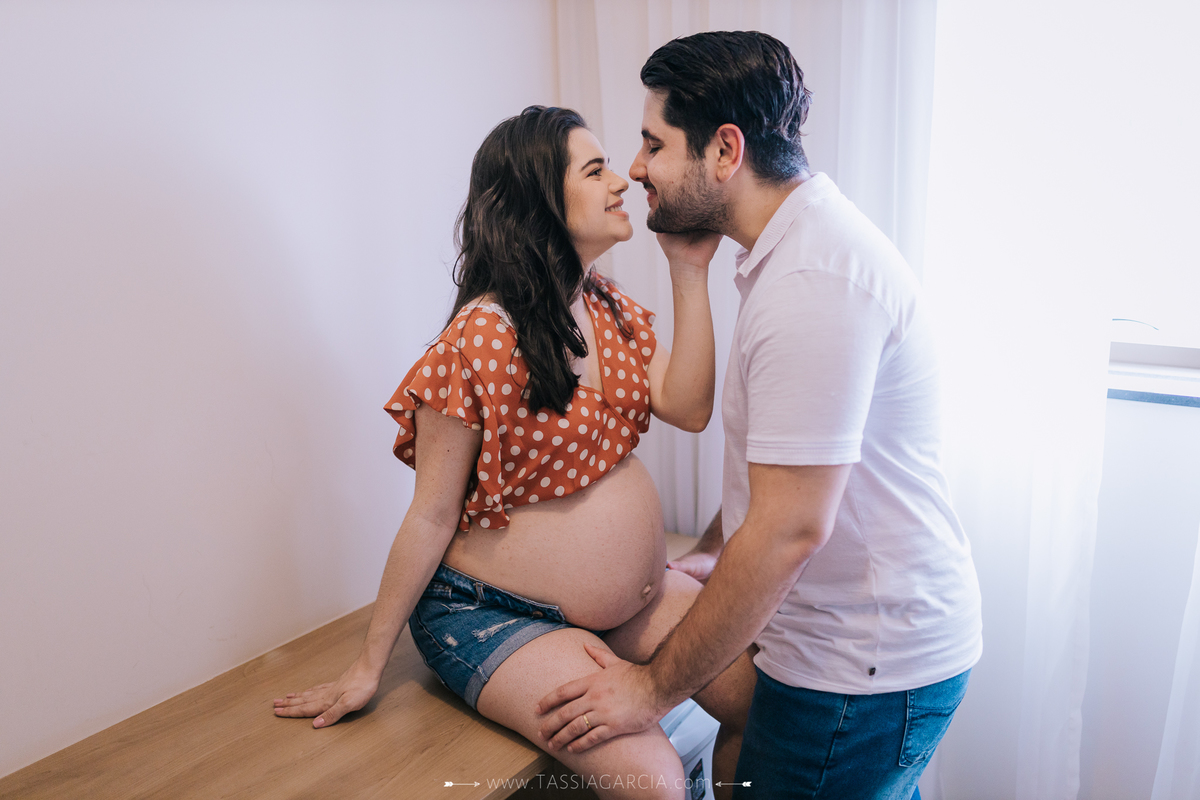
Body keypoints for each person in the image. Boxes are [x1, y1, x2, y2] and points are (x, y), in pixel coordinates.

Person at [535, 32, 984, 800]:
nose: (636, 169)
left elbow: (787, 528)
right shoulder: (787, 253)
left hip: (858, 672)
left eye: (653, 144)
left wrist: (650, 690)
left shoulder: (812, 279)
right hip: (859, 656)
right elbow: (780, 472)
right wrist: (711, 549)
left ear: (725, 150)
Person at [271, 106, 756, 799]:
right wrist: (367, 665)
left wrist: (688, 270)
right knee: (653, 779)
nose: (622, 180)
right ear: (539, 200)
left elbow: (690, 406)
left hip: (627, 604)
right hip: (494, 611)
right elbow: (431, 516)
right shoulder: (482, 337)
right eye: (595, 170)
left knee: (757, 696)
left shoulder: (607, 308)